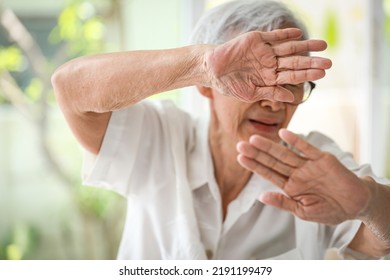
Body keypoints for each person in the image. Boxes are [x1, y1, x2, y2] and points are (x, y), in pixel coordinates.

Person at [51, 0, 390, 259]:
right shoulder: (158, 136)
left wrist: (369, 203)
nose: (275, 103)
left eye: (291, 84)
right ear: (206, 86)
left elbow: (380, 242)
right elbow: (69, 87)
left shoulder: (314, 164)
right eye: (253, 80)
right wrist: (199, 64)